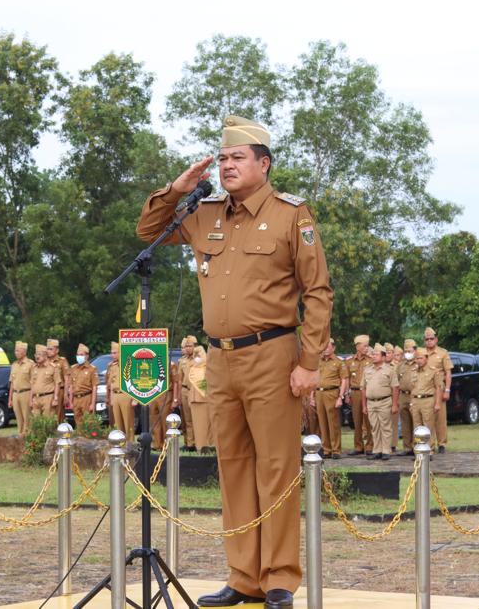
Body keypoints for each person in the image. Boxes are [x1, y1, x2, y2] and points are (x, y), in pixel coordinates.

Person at [136, 114, 333, 609]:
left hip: (273, 354)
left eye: (236, 157)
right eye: (221, 158)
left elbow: (318, 292)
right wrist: (177, 187)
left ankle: (280, 577)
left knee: (275, 467)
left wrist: (309, 361)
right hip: (220, 360)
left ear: (263, 164)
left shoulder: (292, 216)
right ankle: (243, 576)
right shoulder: (204, 213)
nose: (226, 165)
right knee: (234, 468)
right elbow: (147, 230)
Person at [362, 343, 399, 460]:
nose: (373, 356)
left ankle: (386, 451)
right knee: (374, 427)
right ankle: (377, 450)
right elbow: (363, 388)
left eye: (376, 354)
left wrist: (394, 404)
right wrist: (364, 405)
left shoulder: (390, 370)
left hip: (385, 401)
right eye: (373, 354)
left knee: (385, 427)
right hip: (371, 402)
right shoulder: (367, 370)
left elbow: (395, 388)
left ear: (383, 357)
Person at [423, 327, 454, 454]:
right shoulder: (421, 353)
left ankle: (442, 443)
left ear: (436, 339)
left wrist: (447, 390)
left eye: (431, 338)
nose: (429, 341)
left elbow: (448, 373)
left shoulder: (442, 353)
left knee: (440, 418)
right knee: (427, 418)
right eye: (427, 339)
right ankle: (429, 443)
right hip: (425, 389)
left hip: (439, 389)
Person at [314, 338, 345, 459]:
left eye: (328, 347)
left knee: (333, 422)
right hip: (319, 393)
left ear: (333, 348)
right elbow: (314, 379)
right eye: (324, 347)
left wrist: (340, 397)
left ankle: (336, 449)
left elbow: (344, 380)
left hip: (332, 393)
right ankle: (326, 449)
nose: (325, 349)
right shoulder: (318, 361)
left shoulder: (338, 362)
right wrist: (312, 396)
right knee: (322, 422)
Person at [408, 348, 443, 450]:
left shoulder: (433, 371)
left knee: (428, 425)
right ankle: (419, 448)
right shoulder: (413, 371)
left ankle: (429, 449)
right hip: (415, 401)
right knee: (417, 427)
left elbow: (438, 388)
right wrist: (411, 403)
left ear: (426, 358)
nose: (419, 360)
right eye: (417, 358)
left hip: (428, 400)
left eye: (421, 358)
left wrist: (437, 403)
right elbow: (412, 389)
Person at [343, 334, 372, 455]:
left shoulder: (371, 360)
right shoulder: (349, 361)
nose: (367, 348)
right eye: (365, 345)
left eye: (367, 345)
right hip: (354, 392)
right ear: (358, 346)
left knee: (369, 421)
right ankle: (358, 446)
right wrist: (346, 394)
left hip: (367, 393)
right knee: (357, 420)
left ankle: (370, 446)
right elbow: (347, 379)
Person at [106, 342, 137, 443]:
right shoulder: (111, 366)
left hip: (126, 395)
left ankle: (130, 443)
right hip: (115, 395)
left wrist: (135, 398)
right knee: (117, 423)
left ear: (120, 353)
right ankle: (120, 443)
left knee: (128, 422)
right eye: (112, 353)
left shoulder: (129, 364)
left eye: (115, 353)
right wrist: (110, 398)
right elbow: (110, 384)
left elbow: (135, 381)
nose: (112, 355)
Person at [188, 345, 214, 453]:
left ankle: (209, 444)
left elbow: (204, 359)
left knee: (208, 424)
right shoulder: (194, 365)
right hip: (195, 398)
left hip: (205, 397)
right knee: (199, 426)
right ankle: (201, 446)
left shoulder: (207, 364)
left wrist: (199, 352)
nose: (197, 357)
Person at [67, 343, 99, 427]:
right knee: (78, 422)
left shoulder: (92, 369)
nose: (79, 357)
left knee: (89, 423)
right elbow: (70, 386)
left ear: (87, 356)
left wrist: (93, 403)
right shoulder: (73, 368)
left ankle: (88, 440)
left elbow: (95, 387)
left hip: (87, 398)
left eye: (81, 355)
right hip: (76, 399)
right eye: (77, 355)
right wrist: (70, 401)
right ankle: (80, 439)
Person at [7, 340, 35, 436]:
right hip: (15, 393)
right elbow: (12, 383)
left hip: (26, 393)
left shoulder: (30, 364)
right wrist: (10, 398)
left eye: (18, 351)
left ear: (24, 352)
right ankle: (20, 434)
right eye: (15, 351)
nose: (16, 353)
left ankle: (27, 435)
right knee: (18, 417)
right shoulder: (14, 365)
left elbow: (33, 383)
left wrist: (32, 398)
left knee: (27, 416)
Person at [396, 339, 418, 455]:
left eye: (409, 350)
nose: (407, 353)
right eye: (405, 351)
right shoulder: (401, 365)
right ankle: (407, 447)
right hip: (403, 395)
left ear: (415, 350)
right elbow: (396, 380)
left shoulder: (419, 363)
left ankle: (416, 447)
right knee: (405, 422)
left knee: (416, 421)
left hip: (414, 396)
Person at [30, 343, 63, 417]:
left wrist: (55, 398)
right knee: (36, 423)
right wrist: (30, 400)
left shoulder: (53, 367)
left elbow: (57, 383)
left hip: (48, 398)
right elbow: (32, 384)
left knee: (47, 422)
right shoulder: (34, 368)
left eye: (39, 354)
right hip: (36, 398)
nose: (37, 357)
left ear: (45, 355)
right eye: (36, 354)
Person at [177, 335, 198, 450]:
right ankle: (189, 443)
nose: (188, 348)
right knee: (186, 419)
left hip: (196, 390)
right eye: (186, 346)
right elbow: (180, 379)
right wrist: (179, 395)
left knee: (198, 418)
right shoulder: (182, 360)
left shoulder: (200, 358)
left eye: (190, 346)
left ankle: (199, 442)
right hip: (185, 390)